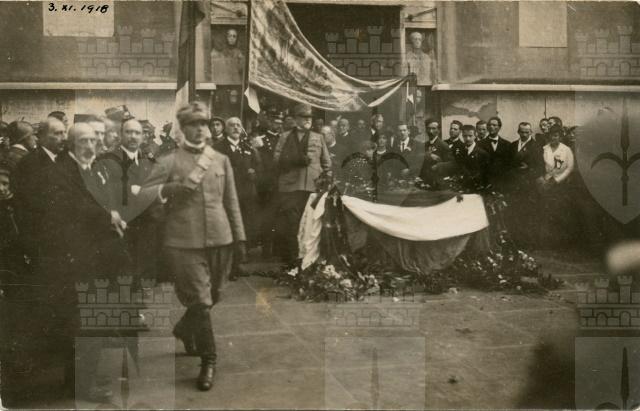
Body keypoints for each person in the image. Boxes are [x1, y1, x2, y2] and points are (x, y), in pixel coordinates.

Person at [138, 102, 245, 391]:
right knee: (201, 301)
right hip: (183, 241)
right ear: (183, 129)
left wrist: (240, 237)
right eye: (193, 125)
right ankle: (209, 361)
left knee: (214, 295)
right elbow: (144, 194)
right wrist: (170, 189)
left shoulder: (220, 159)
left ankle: (184, 328)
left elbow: (231, 200)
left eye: (203, 124)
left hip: (220, 238)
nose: (200, 129)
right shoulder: (168, 161)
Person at [39, 123, 129, 402]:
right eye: (83, 141)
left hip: (95, 257)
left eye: (93, 140)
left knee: (90, 320)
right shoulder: (60, 171)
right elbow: (72, 209)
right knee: (84, 321)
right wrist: (108, 217)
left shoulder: (93, 169)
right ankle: (82, 385)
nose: (90, 146)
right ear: (70, 144)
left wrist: (113, 214)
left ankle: (83, 378)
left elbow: (104, 201)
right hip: (75, 260)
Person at [98, 118, 161, 282]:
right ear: (121, 135)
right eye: (129, 132)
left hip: (147, 224)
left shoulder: (149, 161)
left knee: (144, 271)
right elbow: (107, 192)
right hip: (123, 223)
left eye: (137, 133)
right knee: (123, 274)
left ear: (142, 136)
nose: (133, 136)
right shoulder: (108, 160)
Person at [273, 103, 331, 263]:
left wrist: (327, 180)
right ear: (296, 119)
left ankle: (309, 257)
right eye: (304, 117)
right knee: (292, 224)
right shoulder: (285, 136)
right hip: (290, 186)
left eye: (309, 117)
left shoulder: (318, 137)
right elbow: (276, 159)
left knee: (311, 224)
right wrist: (294, 159)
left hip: (312, 186)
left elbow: (326, 162)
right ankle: (293, 258)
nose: (307, 120)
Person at [13, 118, 67, 264]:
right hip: (42, 241)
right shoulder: (30, 163)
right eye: (58, 133)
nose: (64, 138)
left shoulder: (61, 160)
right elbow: (25, 207)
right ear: (41, 136)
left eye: (64, 132)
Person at [214, 117, 261, 279]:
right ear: (226, 129)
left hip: (246, 194)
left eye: (238, 125)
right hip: (226, 194)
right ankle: (227, 267)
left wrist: (254, 173)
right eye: (232, 125)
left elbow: (258, 165)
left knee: (243, 228)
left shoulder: (247, 147)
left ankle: (237, 264)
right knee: (228, 230)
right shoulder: (218, 147)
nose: (235, 128)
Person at [506, 122, 544, 246]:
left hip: (528, 186)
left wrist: (528, 169)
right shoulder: (512, 146)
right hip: (514, 185)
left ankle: (528, 242)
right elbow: (507, 165)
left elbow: (541, 168)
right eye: (522, 132)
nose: (524, 134)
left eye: (527, 132)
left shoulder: (537, 146)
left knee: (528, 214)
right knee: (514, 213)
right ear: (518, 132)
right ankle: (515, 241)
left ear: (531, 132)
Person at [540, 124, 575, 246]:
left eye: (556, 136)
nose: (553, 138)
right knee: (546, 210)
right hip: (546, 183)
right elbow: (540, 165)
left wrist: (557, 180)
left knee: (560, 211)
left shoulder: (566, 149)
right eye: (551, 135)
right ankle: (547, 241)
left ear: (560, 137)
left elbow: (569, 168)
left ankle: (562, 241)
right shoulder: (544, 148)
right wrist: (544, 180)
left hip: (561, 184)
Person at [478, 116, 512, 189]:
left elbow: (509, 165)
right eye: (489, 125)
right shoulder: (479, 144)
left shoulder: (507, 144)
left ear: (499, 127)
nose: (491, 127)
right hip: (485, 181)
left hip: (501, 181)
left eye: (494, 125)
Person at [420, 118, 452, 188]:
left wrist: (438, 163)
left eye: (433, 128)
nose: (430, 131)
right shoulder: (424, 145)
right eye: (428, 128)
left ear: (438, 130)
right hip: (425, 180)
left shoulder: (443, 145)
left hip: (438, 182)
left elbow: (450, 164)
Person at [457, 125, 489, 190]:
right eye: (465, 136)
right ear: (462, 136)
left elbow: (484, 174)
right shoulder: (460, 151)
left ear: (475, 135)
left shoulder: (482, 153)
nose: (467, 139)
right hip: (462, 186)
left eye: (470, 136)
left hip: (477, 187)